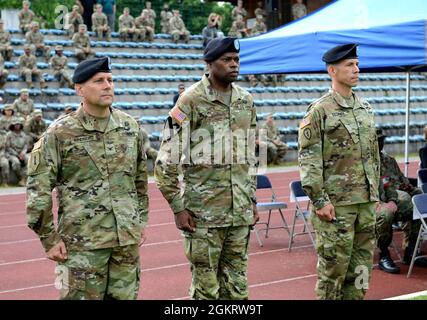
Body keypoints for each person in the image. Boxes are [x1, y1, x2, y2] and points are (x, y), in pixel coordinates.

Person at [26, 56, 149, 300]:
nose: (107, 85)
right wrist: (49, 239)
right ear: (79, 89)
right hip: (82, 246)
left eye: (111, 80)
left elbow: (139, 181)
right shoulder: (59, 133)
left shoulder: (130, 127)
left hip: (125, 242)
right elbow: (38, 190)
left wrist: (139, 221)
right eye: (99, 80)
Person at [155, 37, 259, 300]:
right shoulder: (189, 101)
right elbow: (166, 160)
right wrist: (178, 208)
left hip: (239, 213)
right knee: (206, 291)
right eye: (226, 60)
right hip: (203, 216)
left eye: (236, 59)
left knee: (237, 289)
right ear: (209, 63)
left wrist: (252, 199)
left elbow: (250, 156)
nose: (234, 64)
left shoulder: (245, 100)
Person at [298, 43, 380, 300]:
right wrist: (319, 200)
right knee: (333, 272)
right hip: (336, 207)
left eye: (356, 64)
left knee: (361, 269)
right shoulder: (320, 110)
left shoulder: (365, 108)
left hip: (365, 204)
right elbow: (308, 159)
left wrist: (375, 195)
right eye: (349, 65)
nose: (356, 69)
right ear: (333, 70)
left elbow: (373, 155)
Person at [376, 129, 427, 272]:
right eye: (377, 140)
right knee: (386, 214)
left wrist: (408, 187)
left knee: (417, 209)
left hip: (397, 199)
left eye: (382, 140)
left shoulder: (389, 160)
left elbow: (401, 179)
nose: (381, 143)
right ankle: (384, 255)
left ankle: (410, 252)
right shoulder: (363, 163)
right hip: (376, 203)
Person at [6, 117, 29, 186]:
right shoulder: (9, 135)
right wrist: (17, 154)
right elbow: (8, 147)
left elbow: (26, 146)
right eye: (15, 124)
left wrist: (23, 153)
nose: (17, 126)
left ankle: (25, 179)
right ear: (12, 125)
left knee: (29, 160)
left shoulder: (23, 135)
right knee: (16, 163)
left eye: (18, 124)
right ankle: (21, 178)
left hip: (22, 153)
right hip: (11, 154)